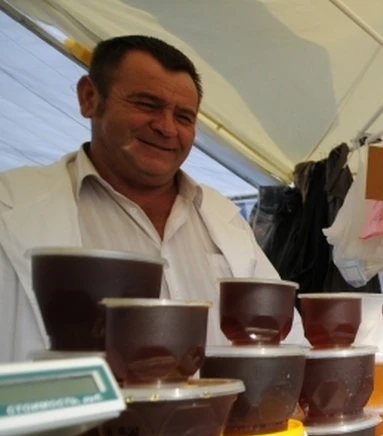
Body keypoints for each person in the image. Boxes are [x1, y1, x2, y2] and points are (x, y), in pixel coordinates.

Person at [0, 35, 303, 362]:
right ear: (89, 98)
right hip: (76, 414)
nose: (166, 127)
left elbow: (289, 341)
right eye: (146, 104)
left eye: (184, 117)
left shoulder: (223, 217)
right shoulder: (12, 204)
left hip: (220, 414)